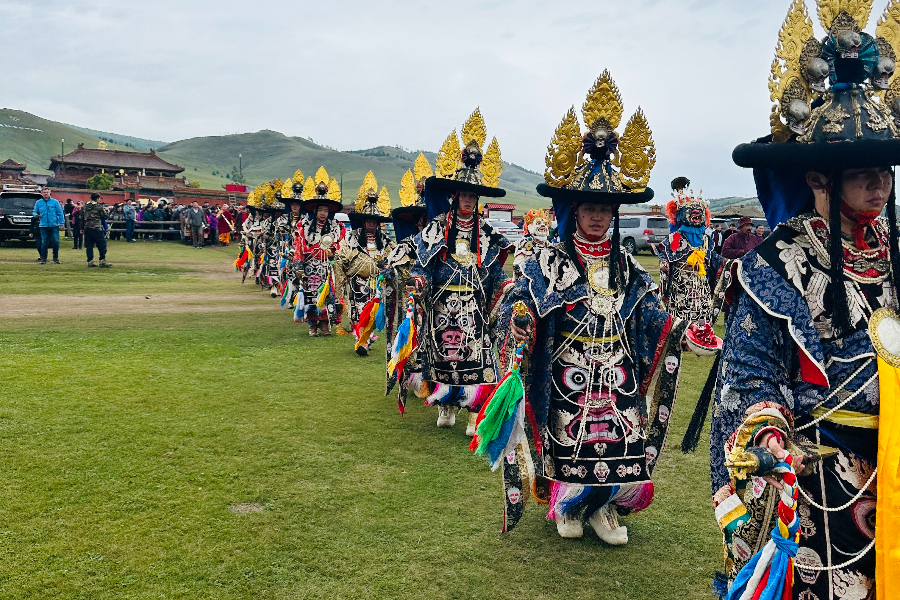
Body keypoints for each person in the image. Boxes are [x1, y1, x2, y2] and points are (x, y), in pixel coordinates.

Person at [707, 4, 900, 597]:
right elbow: (749, 371)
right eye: (860, 171)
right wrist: (766, 432)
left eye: (885, 170)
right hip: (821, 475)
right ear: (818, 178)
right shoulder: (777, 261)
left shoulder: (897, 251)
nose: (879, 184)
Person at [498, 72, 694, 542]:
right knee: (571, 439)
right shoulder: (549, 259)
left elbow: (649, 311)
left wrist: (678, 329)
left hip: (617, 368)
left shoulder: (626, 265)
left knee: (622, 438)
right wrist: (522, 316)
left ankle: (605, 509)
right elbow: (520, 298)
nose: (598, 215)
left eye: (606, 208)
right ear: (574, 209)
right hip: (569, 365)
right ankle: (567, 506)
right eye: (589, 207)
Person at [410, 108, 513, 433]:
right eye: (464, 194)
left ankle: (473, 414)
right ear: (454, 195)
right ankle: (446, 406)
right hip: (442, 304)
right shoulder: (437, 228)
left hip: (473, 306)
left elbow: (495, 271)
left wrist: (505, 285)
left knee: (477, 361)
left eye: (473, 195)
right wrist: (418, 281)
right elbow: (423, 264)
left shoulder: (487, 234)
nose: (468, 199)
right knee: (445, 358)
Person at [383, 155, 432, 411]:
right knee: (413, 340)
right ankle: (413, 379)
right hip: (410, 303)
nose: (425, 224)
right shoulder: (405, 247)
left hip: (435, 302)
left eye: (429, 219)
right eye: (421, 220)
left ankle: (434, 382)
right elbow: (392, 272)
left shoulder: (439, 247)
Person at [657, 177, 728, 343]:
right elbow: (664, 253)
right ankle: (679, 334)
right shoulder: (674, 239)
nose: (696, 213)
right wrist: (665, 264)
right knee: (680, 322)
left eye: (699, 211)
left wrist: (731, 265)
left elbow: (716, 262)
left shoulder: (706, 240)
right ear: (680, 215)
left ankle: (701, 335)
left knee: (701, 318)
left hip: (701, 288)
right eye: (691, 210)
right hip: (679, 288)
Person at [333, 172, 396, 356]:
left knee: (374, 314)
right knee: (358, 315)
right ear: (363, 221)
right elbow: (340, 257)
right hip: (356, 284)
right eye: (368, 221)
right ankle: (363, 342)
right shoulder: (351, 238)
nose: (371, 224)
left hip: (377, 284)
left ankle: (365, 342)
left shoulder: (385, 241)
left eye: (374, 222)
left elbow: (394, 256)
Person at [293, 167, 346, 336]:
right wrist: (299, 266)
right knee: (311, 295)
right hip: (310, 266)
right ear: (315, 211)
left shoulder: (337, 228)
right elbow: (299, 247)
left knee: (328, 294)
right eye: (320, 210)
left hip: (327, 266)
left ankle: (325, 323)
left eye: (326, 210)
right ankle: (312, 324)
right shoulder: (304, 227)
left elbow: (340, 246)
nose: (323, 213)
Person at [512, 208, 551, 279]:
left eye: (545, 224)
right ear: (530, 227)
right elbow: (517, 267)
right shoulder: (524, 244)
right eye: (538, 223)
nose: (543, 226)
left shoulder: (550, 245)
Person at [32, 187, 65, 264]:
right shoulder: (38, 202)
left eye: (47, 192)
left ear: (50, 193)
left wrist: (61, 223)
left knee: (56, 241)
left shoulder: (55, 202)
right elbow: (34, 212)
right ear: (41, 193)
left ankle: (55, 257)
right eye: (44, 192)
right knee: (44, 242)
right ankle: (43, 258)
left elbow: (60, 213)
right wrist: (36, 215)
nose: (46, 194)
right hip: (43, 225)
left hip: (54, 225)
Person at [82, 192, 111, 268]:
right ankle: (102, 260)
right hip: (96, 227)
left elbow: (81, 217)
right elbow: (105, 216)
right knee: (102, 244)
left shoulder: (84, 206)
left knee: (89, 245)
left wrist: (81, 228)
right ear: (97, 198)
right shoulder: (98, 207)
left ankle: (90, 261)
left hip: (87, 228)